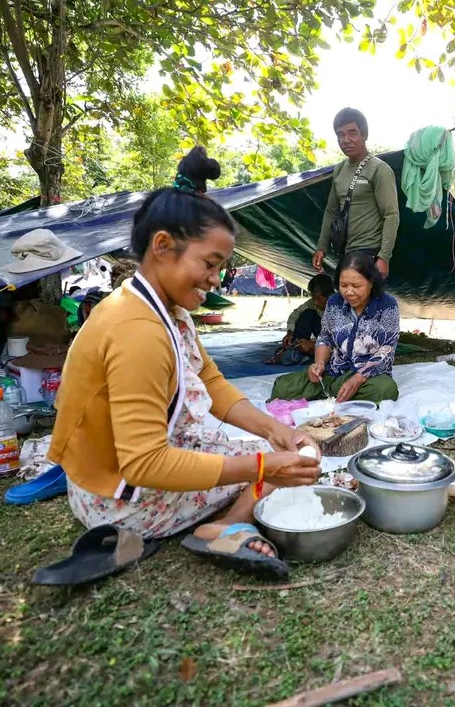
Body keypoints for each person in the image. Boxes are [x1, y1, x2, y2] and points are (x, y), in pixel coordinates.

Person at [47, 147, 321, 569]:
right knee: (282, 468)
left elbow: (209, 380)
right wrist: (263, 465)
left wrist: (274, 430)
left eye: (221, 268)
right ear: (162, 246)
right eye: (210, 264)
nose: (216, 280)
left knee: (273, 453)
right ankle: (227, 526)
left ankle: (227, 515)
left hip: (107, 479)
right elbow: (145, 463)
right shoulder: (137, 330)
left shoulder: (160, 308)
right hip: (119, 501)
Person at [271, 252, 400, 403]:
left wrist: (357, 379)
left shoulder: (387, 305)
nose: (349, 292)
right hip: (333, 372)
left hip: (367, 377)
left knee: (386, 390)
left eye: (356, 286)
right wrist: (319, 364)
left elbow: (387, 350)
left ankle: (334, 393)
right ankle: (338, 393)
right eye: (343, 285)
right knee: (282, 387)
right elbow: (325, 338)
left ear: (371, 282)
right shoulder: (334, 302)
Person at [311, 108, 399, 278]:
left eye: (352, 133)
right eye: (340, 135)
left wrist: (384, 257)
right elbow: (331, 211)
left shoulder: (379, 169)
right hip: (345, 253)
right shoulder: (339, 170)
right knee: (346, 293)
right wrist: (321, 247)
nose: (346, 140)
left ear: (364, 135)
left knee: (361, 294)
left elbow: (391, 215)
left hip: (370, 253)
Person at [266, 273, 335, 366]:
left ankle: (315, 351)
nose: (315, 302)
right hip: (322, 337)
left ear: (330, 295)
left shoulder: (341, 307)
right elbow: (294, 316)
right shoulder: (312, 303)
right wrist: (290, 333)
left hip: (335, 343)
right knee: (307, 314)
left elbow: (344, 341)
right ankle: (297, 349)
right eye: (314, 298)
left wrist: (313, 344)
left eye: (319, 298)